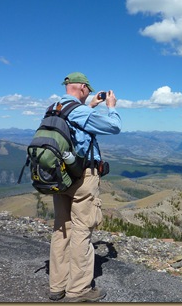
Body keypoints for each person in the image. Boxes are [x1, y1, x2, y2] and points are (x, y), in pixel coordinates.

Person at [48, 72, 121, 302]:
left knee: (62, 229)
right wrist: (110, 106)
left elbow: (76, 131)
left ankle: (57, 286)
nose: (90, 92)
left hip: (60, 176)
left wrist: (91, 105)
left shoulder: (55, 107)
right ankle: (78, 290)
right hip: (82, 177)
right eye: (88, 89)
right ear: (81, 87)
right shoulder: (78, 110)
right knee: (81, 230)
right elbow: (114, 126)